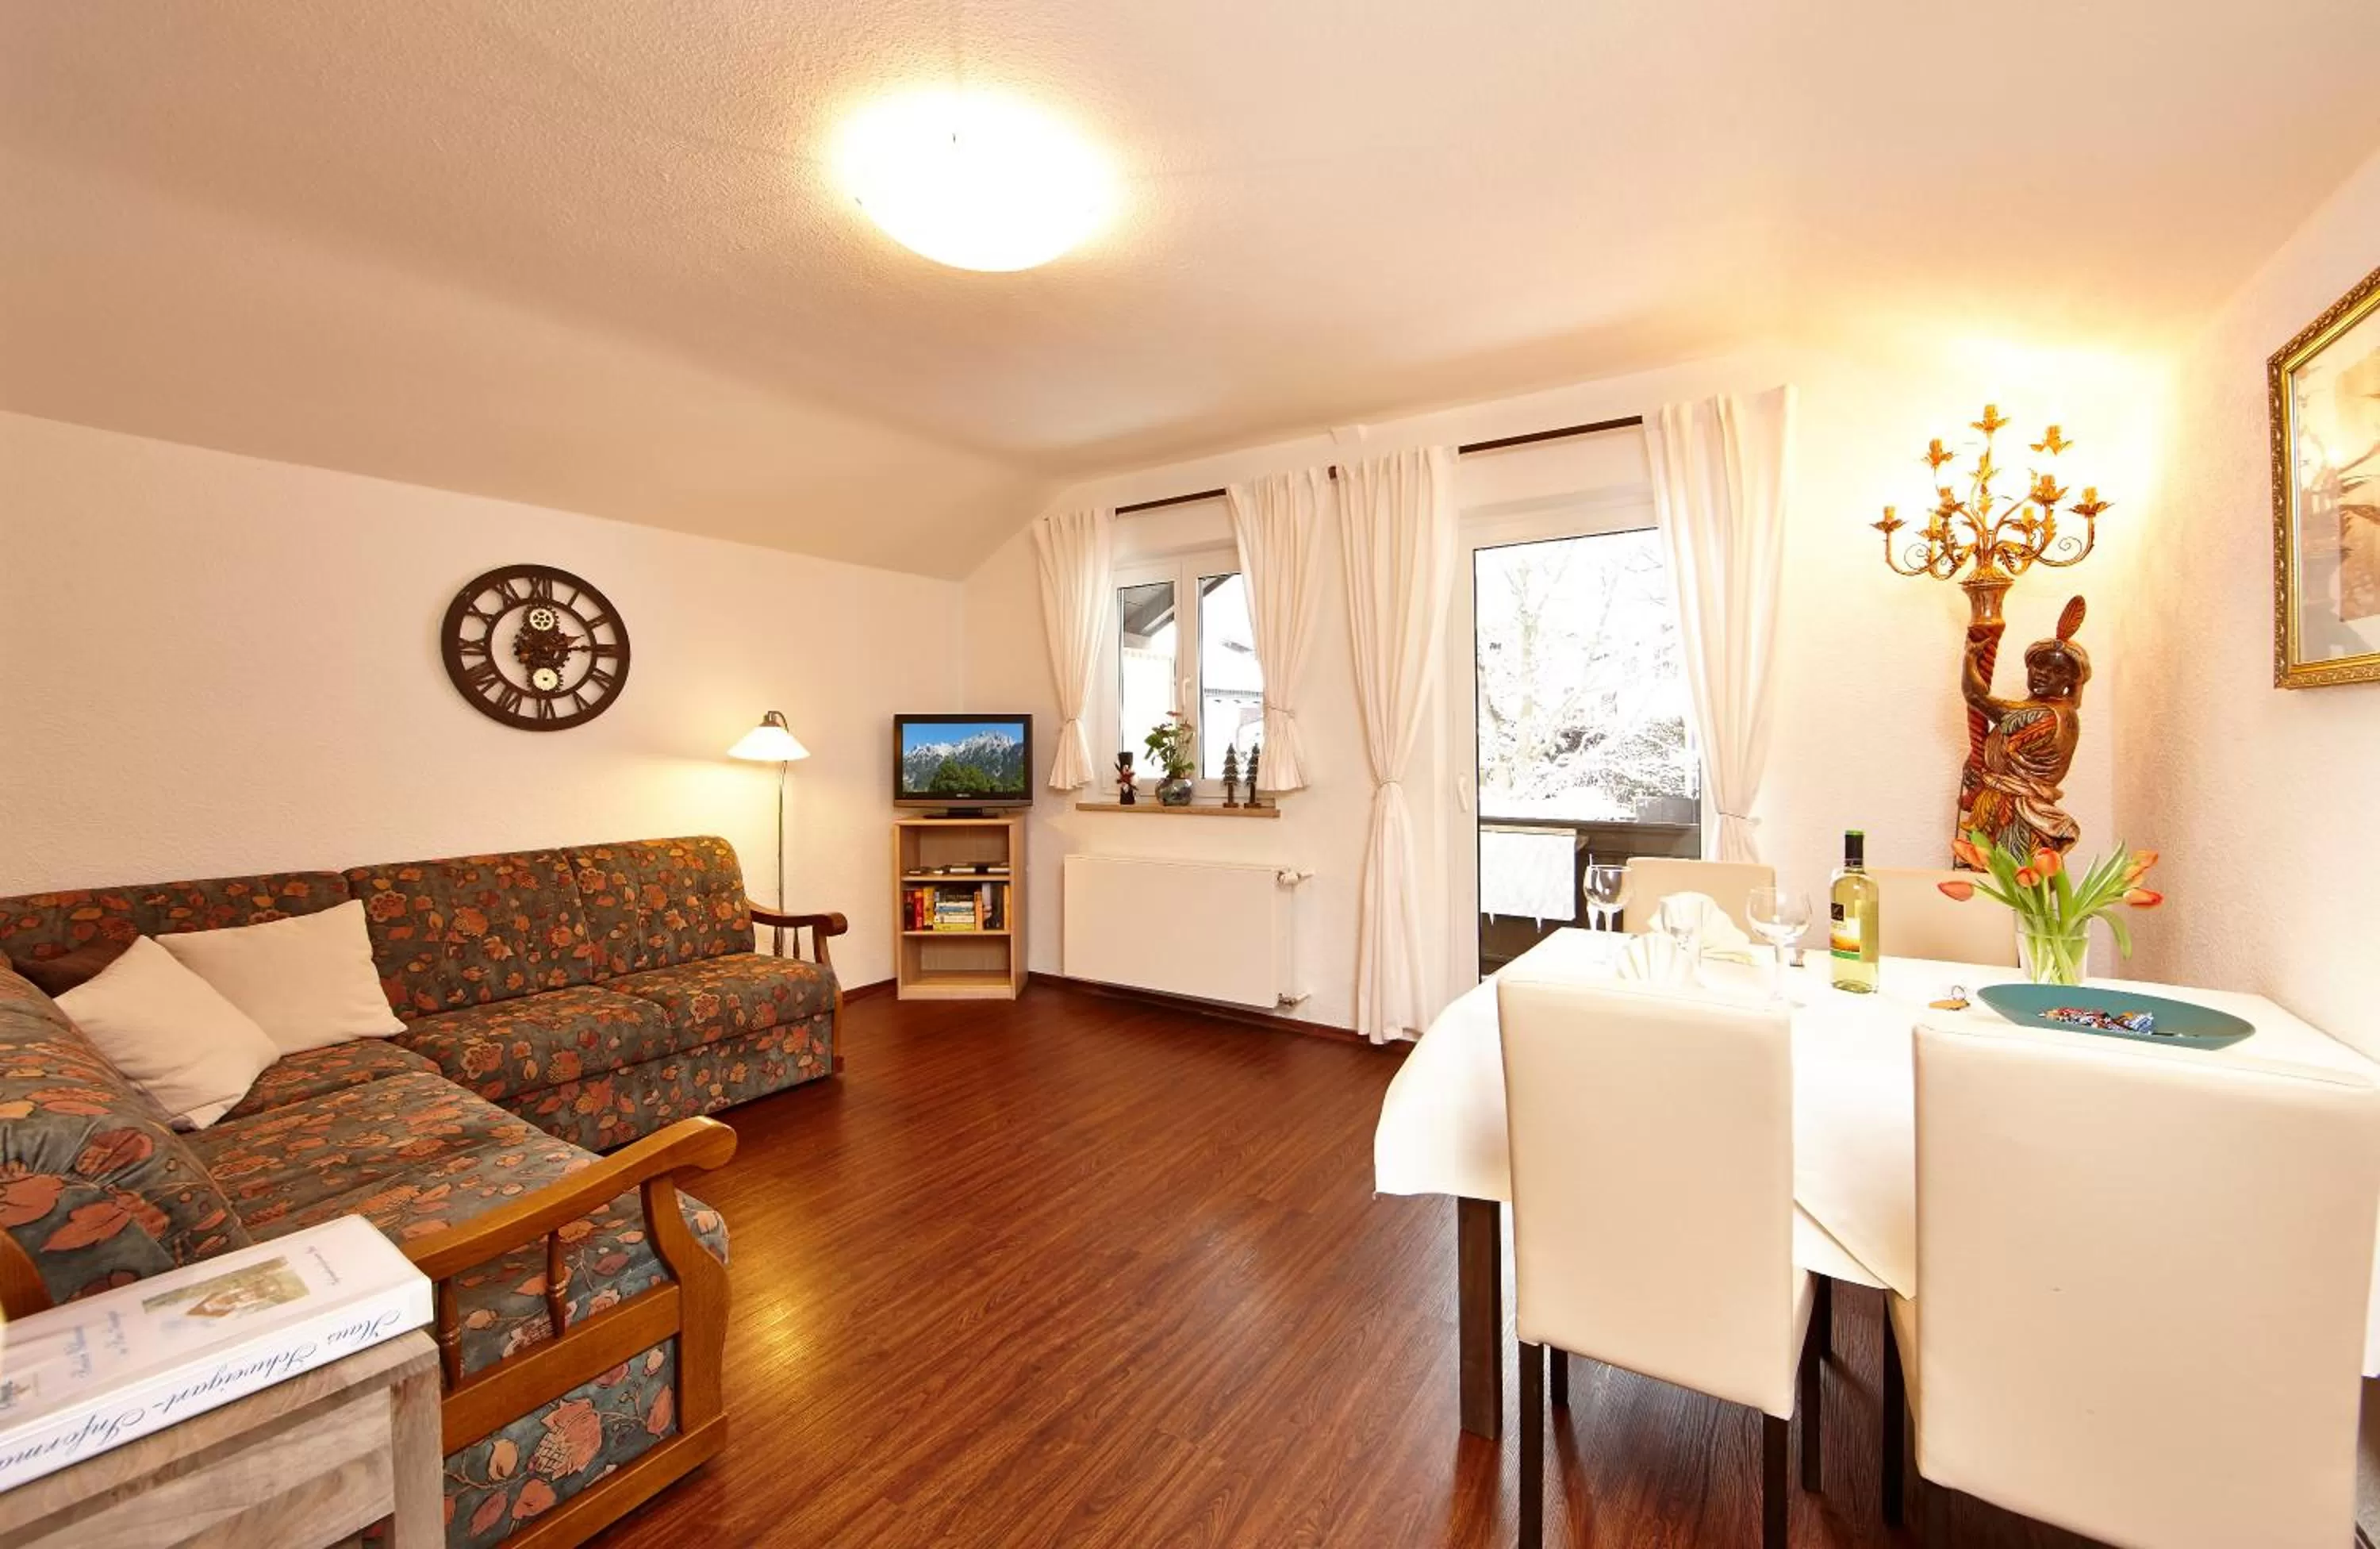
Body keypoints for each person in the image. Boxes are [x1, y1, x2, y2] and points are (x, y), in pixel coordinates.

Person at [1958, 596, 2088, 861]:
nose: (2044, 673)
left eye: (2057, 671)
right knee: (1992, 876)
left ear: (2070, 680)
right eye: (2039, 665)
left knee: (2010, 877)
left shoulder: (2042, 715)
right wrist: (1983, 765)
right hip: (2001, 805)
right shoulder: (2062, 710)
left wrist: (1971, 657)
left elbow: (1975, 697)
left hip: (2014, 815)